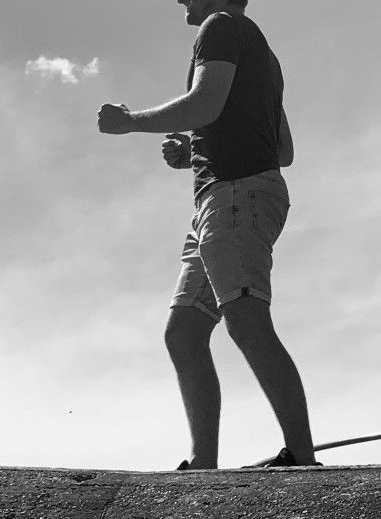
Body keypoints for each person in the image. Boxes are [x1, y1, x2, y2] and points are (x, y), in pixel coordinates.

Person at [97, 0, 317, 469]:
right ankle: (204, 464)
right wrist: (196, 147)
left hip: (235, 197)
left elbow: (206, 102)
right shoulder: (261, 48)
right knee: (184, 333)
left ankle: (301, 455)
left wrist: (130, 121)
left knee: (246, 321)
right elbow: (283, 148)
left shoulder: (219, 27)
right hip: (228, 198)